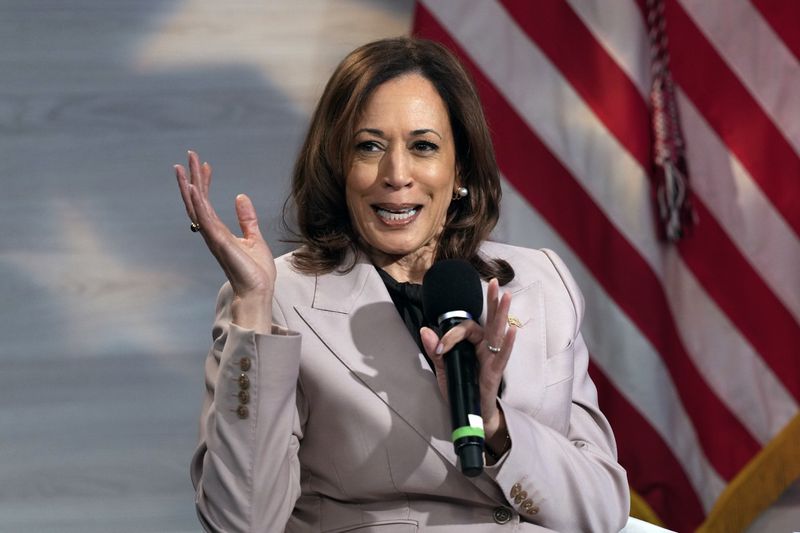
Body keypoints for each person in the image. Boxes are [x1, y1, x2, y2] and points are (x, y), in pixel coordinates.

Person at [175, 37, 629, 532]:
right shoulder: (278, 297)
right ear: (338, 166)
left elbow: (603, 511)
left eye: (423, 146)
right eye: (369, 146)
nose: (396, 174)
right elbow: (240, 521)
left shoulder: (543, 284)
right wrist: (253, 305)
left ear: (460, 169)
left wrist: (495, 426)